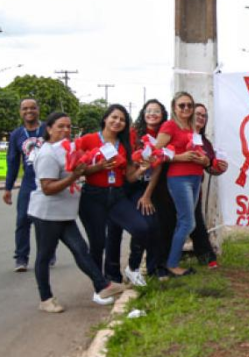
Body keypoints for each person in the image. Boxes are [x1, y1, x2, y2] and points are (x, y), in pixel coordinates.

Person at [28, 112, 126, 312]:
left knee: (81, 250)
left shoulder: (64, 149)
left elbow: (78, 169)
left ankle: (103, 286)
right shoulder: (47, 153)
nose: (65, 131)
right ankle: (45, 299)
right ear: (48, 129)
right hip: (48, 214)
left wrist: (88, 167)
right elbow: (47, 188)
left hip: (64, 212)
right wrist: (75, 176)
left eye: (68, 127)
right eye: (60, 126)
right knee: (45, 255)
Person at [78, 104, 150, 283]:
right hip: (94, 195)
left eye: (122, 120)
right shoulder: (88, 140)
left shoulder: (124, 144)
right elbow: (77, 170)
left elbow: (130, 177)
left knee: (141, 227)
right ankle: (100, 285)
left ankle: (131, 268)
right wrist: (98, 167)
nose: (117, 122)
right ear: (105, 119)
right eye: (114, 117)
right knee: (97, 244)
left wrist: (142, 169)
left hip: (117, 194)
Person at [153, 91, 210, 277]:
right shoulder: (170, 126)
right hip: (179, 178)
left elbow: (197, 149)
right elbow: (156, 152)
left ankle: (171, 261)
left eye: (189, 105)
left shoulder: (193, 127)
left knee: (186, 222)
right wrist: (179, 157)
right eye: (182, 105)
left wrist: (203, 159)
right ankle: (172, 263)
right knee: (188, 222)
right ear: (174, 108)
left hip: (195, 177)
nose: (186, 108)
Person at [122, 99, 170, 285]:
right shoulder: (134, 132)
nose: (152, 114)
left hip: (155, 185)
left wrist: (147, 195)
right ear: (143, 113)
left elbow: (158, 166)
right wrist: (140, 163)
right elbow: (128, 160)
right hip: (134, 183)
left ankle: (155, 267)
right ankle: (133, 267)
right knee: (143, 224)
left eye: (156, 111)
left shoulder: (164, 135)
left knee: (158, 226)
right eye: (148, 110)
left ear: (162, 114)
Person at [4, 98, 48, 272]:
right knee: (22, 220)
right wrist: (8, 187)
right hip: (28, 184)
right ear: (20, 111)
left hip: (48, 182)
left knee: (44, 222)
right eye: (25, 108)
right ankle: (21, 258)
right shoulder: (16, 134)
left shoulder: (47, 129)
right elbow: (13, 162)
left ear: (38, 110)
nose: (29, 111)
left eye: (32, 108)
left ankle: (48, 254)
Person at [190, 103, 229, 268]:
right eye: (197, 114)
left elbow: (210, 168)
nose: (200, 118)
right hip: (173, 187)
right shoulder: (180, 135)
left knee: (196, 222)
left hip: (195, 189)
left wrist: (220, 169)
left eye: (204, 116)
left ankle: (207, 257)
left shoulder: (205, 142)